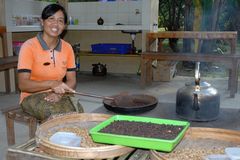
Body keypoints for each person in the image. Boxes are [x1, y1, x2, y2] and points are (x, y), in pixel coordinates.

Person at [17, 3, 83, 121]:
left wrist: (58, 94)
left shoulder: (67, 48)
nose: (55, 24)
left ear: (64, 26)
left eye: (60, 21)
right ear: (42, 22)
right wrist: (51, 84)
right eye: (51, 19)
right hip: (31, 96)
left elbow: (72, 80)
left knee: (79, 112)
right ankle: (47, 139)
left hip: (59, 94)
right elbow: (23, 84)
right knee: (56, 116)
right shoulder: (29, 46)